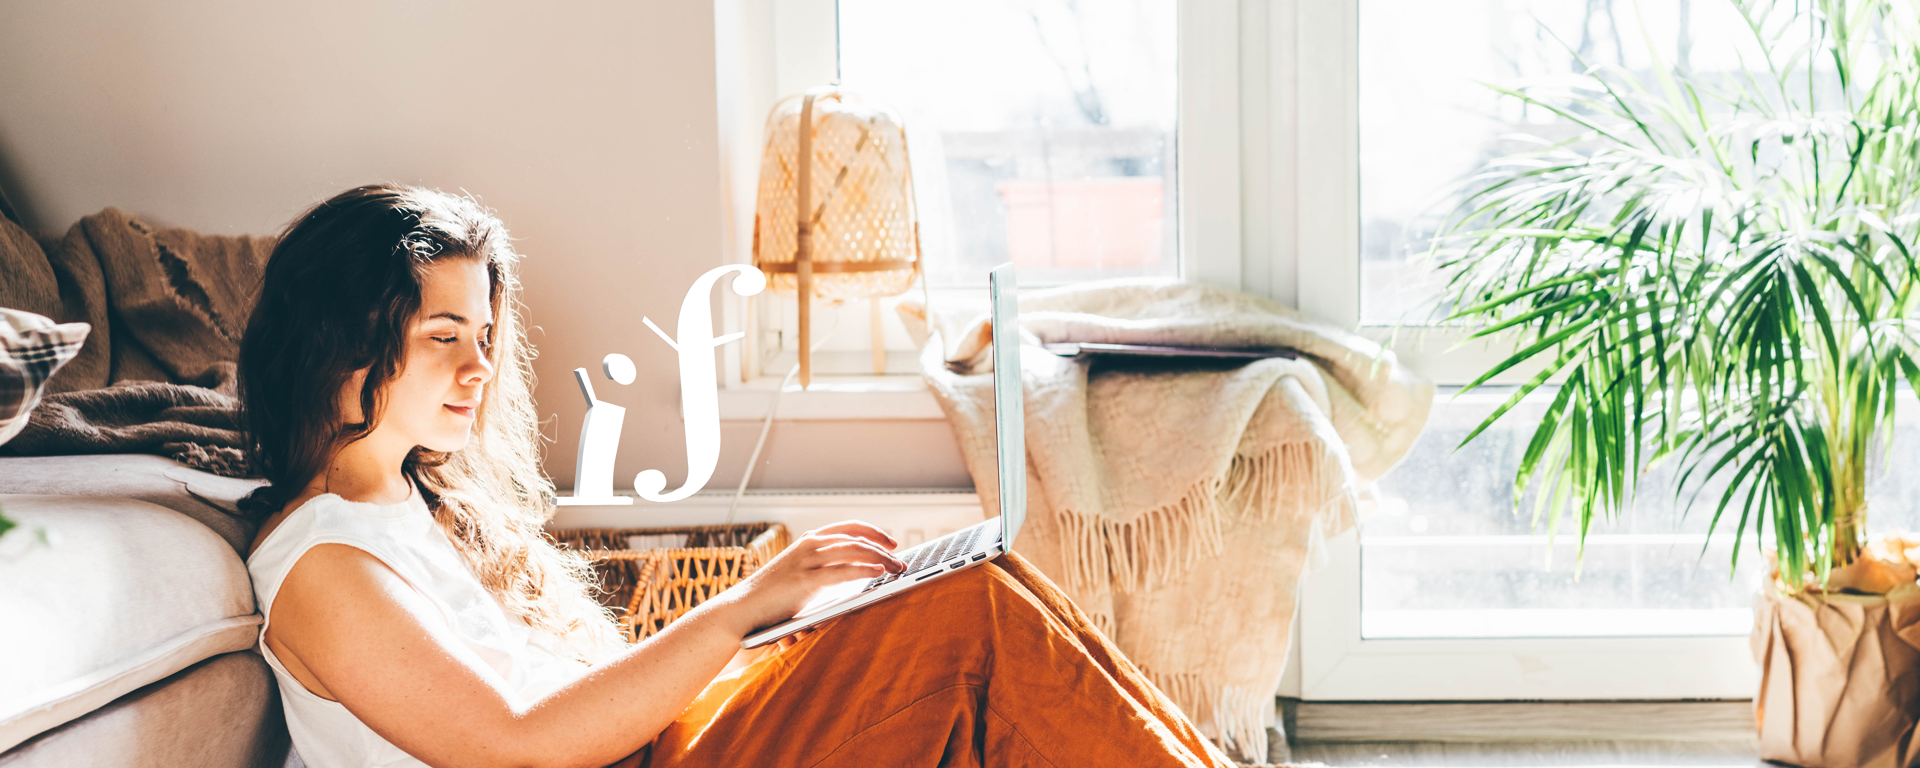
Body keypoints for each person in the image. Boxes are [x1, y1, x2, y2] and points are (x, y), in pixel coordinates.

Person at [238, 183, 1239, 768]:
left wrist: (774, 636)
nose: (478, 368)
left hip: (653, 751)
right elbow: (518, 744)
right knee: (966, 620)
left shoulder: (412, 501)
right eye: (443, 335)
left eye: (487, 337)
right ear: (343, 343)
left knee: (982, 586)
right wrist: (739, 613)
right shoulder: (322, 565)